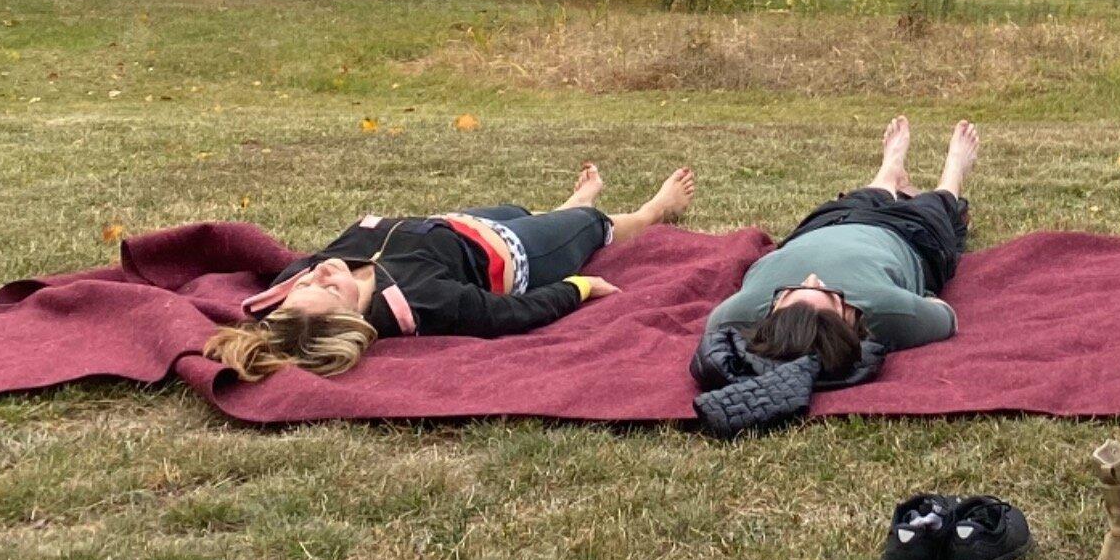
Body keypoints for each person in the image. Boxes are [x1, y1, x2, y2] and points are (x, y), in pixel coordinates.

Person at [203, 162, 693, 379]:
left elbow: (271, 308)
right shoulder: (423, 301)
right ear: (353, 318)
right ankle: (650, 210)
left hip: (457, 227)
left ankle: (562, 209)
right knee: (587, 225)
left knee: (516, 207)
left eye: (303, 285)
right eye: (327, 289)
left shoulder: (299, 285)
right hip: (516, 257)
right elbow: (513, 314)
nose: (317, 273)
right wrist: (579, 286)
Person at [704, 116, 980, 379]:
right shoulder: (888, 312)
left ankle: (890, 171)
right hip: (909, 235)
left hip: (823, 226)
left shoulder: (739, 316)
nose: (812, 278)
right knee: (941, 204)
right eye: (832, 294)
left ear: (772, 313)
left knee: (868, 194)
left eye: (789, 292)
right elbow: (946, 318)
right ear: (850, 322)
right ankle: (954, 170)